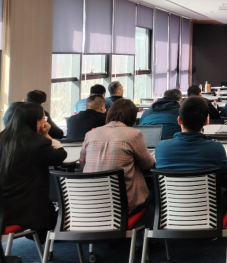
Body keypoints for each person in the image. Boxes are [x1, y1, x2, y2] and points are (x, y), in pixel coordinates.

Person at [0, 103, 67, 236]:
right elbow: (60, 155)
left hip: (4, 208)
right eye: (44, 119)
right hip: (27, 209)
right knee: (60, 221)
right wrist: (46, 135)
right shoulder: (37, 143)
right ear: (36, 121)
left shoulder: (2, 138)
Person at [80, 99, 155, 214]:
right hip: (122, 204)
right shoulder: (134, 134)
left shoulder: (90, 134)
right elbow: (148, 165)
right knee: (152, 194)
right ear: (132, 117)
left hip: (91, 202)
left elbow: (82, 164)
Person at [155, 96, 227, 182]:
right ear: (206, 121)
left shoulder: (161, 147)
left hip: (170, 191)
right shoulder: (216, 148)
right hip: (207, 190)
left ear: (179, 120)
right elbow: (225, 175)